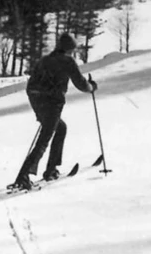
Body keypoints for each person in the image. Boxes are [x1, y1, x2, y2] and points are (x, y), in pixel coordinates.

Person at [10, 33, 97, 190]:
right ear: (70, 49)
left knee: (60, 128)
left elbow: (32, 82)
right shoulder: (67, 61)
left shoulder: (46, 59)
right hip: (52, 102)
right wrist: (91, 87)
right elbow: (81, 83)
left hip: (36, 99)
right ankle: (24, 176)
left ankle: (51, 169)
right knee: (45, 137)